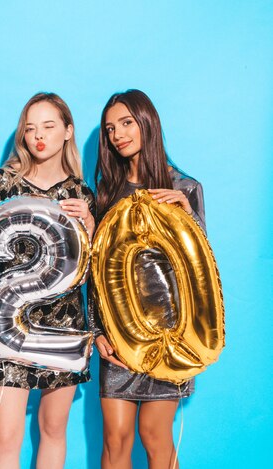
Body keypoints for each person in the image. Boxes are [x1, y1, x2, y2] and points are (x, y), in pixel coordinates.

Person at [0, 92, 95, 469]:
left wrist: (91, 223)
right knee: (5, 437)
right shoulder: (5, 183)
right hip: (6, 324)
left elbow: (90, 271)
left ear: (67, 132)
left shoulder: (82, 194)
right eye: (31, 128)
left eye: (49, 126)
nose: (39, 136)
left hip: (64, 324)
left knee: (54, 430)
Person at [91, 89, 205, 469]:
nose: (118, 134)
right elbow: (96, 271)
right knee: (114, 441)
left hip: (167, 337)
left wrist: (191, 218)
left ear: (147, 122)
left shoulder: (184, 188)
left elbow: (202, 274)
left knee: (155, 437)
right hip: (118, 333)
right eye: (110, 129)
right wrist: (96, 331)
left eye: (126, 123)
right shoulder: (106, 194)